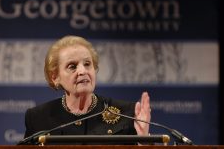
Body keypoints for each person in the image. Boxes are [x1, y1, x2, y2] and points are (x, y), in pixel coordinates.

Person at [23, 35, 151, 144]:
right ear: (55, 77)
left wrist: (144, 144)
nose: (82, 71)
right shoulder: (38, 118)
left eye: (87, 64)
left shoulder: (126, 113)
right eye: (72, 66)